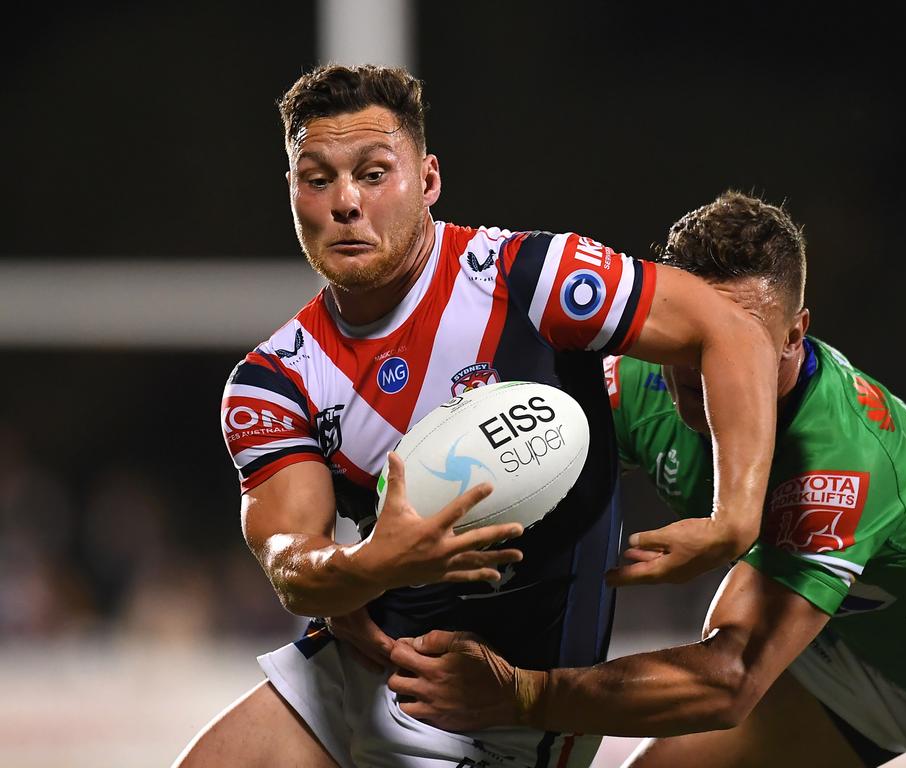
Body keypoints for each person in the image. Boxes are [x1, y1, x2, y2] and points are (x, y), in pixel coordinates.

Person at [173, 67, 780, 768]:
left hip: (500, 711)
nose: (345, 202)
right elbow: (290, 559)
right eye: (317, 178)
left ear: (428, 181)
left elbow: (730, 329)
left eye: (374, 174)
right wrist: (373, 562)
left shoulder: (529, 278)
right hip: (357, 667)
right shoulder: (274, 378)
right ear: (291, 192)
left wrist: (735, 516)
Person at [388, 192, 906, 768]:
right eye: (695, 336)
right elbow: (513, 467)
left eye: (741, 343)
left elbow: (727, 679)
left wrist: (522, 694)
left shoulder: (841, 462)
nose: (704, 369)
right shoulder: (642, 381)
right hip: (857, 663)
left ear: (795, 336)